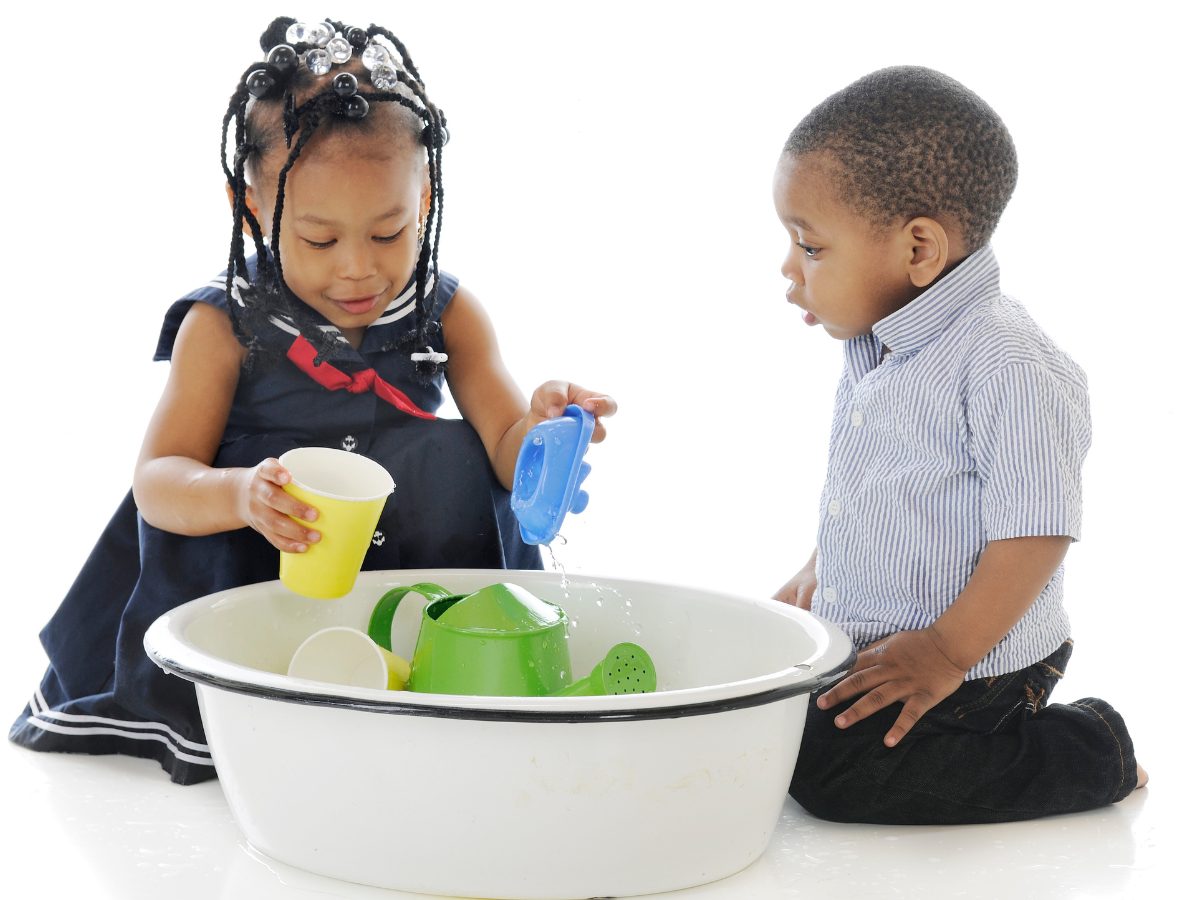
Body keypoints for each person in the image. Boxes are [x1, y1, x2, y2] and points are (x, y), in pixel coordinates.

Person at [10, 16, 615, 785]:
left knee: (451, 454)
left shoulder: (449, 312)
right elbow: (158, 479)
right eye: (321, 241)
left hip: (400, 569)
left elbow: (503, 443)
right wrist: (239, 494)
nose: (359, 271)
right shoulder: (223, 325)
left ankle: (421, 684)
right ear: (250, 207)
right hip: (251, 575)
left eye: (390, 233)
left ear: (425, 197)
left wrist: (546, 431)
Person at [771, 66, 1144, 824]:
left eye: (810, 247)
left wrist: (944, 652)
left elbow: (1038, 530)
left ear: (919, 250)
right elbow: (877, 487)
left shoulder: (1006, 360)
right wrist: (821, 568)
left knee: (838, 779)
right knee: (772, 727)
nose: (788, 272)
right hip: (887, 636)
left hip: (981, 657)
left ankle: (1092, 748)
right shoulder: (879, 348)